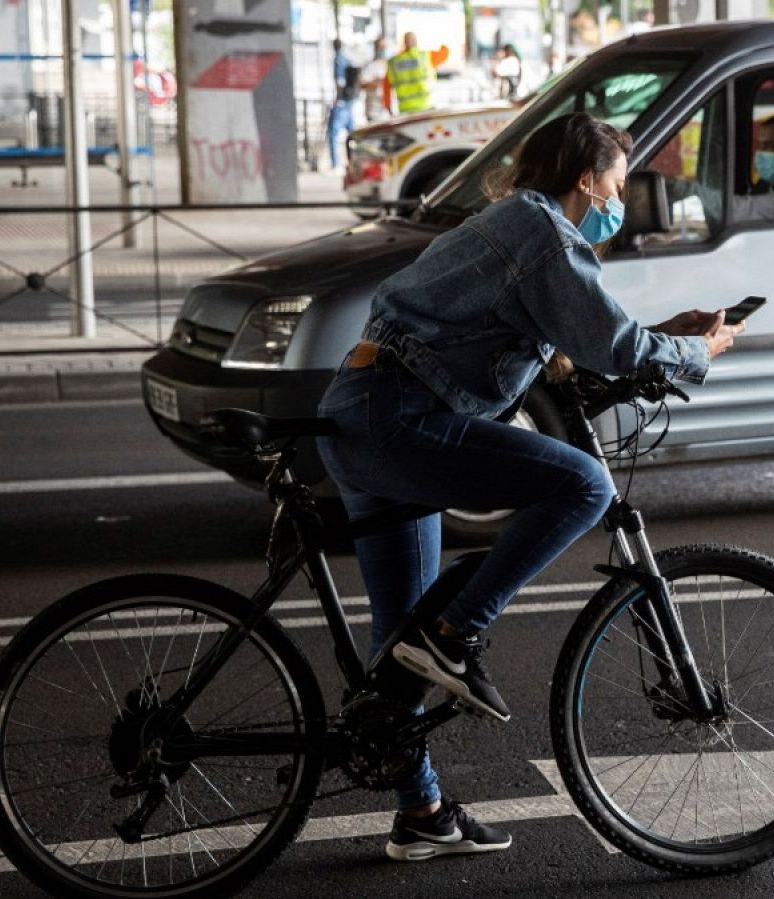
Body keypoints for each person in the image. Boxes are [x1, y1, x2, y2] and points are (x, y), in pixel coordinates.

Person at [315, 111, 743, 861]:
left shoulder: (515, 222)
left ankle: (422, 813)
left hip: (369, 412)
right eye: (617, 182)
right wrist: (694, 349)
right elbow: (613, 342)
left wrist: (658, 335)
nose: (619, 197)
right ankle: (458, 633)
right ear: (587, 177)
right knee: (581, 484)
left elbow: (582, 345)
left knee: (399, 646)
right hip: (400, 418)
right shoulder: (546, 233)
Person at [387, 32, 436, 115]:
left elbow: (387, 86)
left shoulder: (394, 62)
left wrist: (388, 107)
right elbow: (446, 52)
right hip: (424, 106)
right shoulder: (424, 56)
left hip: (405, 108)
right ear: (416, 41)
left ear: (404, 43)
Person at [327, 65, 359, 171]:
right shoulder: (351, 55)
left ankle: (336, 164)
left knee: (333, 133)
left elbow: (340, 82)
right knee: (353, 134)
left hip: (343, 102)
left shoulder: (340, 59)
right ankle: (354, 162)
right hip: (350, 99)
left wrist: (338, 99)